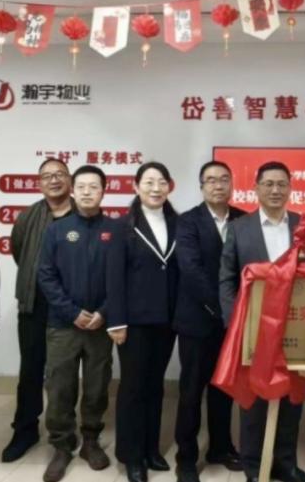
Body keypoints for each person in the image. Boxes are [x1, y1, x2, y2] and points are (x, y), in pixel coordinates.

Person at [219, 161, 305, 482]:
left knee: (291, 396)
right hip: (253, 328)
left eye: (282, 184)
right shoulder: (239, 228)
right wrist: (235, 324)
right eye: (268, 184)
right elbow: (227, 279)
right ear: (256, 188)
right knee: (255, 399)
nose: (275, 190)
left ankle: (285, 462)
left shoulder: (303, 225)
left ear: (290, 188)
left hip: (296, 326)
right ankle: (254, 466)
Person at [39, 165, 120, 482]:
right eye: (82, 186)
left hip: (100, 325)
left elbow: (123, 277)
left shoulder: (116, 230)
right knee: (60, 387)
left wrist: (105, 312)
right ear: (72, 190)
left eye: (94, 186)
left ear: (104, 191)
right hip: (63, 325)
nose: (87, 192)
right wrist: (72, 312)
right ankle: (62, 446)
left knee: (97, 386)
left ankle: (90, 441)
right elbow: (46, 276)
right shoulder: (56, 230)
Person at [107, 162, 180, 482]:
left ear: (169, 187)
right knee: (133, 388)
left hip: (167, 319)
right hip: (133, 322)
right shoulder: (123, 227)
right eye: (148, 182)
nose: (155, 188)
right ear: (136, 187)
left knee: (155, 385)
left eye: (161, 182)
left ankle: (151, 449)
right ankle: (131, 455)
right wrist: (116, 321)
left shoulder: (178, 223)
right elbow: (114, 277)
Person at [174, 161, 246, 482]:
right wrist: (222, 307)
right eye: (211, 180)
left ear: (232, 184)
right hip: (197, 320)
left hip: (232, 323)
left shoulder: (244, 219)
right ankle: (186, 457)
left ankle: (221, 447)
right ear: (202, 186)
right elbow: (191, 270)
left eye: (224, 179)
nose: (218, 185)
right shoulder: (188, 221)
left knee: (224, 388)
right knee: (191, 391)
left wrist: (235, 312)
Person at [2, 158, 75, 463]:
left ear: (69, 180)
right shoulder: (28, 216)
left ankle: (65, 432)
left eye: (60, 174)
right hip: (34, 304)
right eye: (47, 176)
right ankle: (25, 429)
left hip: (71, 307)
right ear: (39, 183)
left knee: (64, 374)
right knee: (31, 369)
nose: (54, 180)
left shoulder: (83, 213)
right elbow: (20, 252)